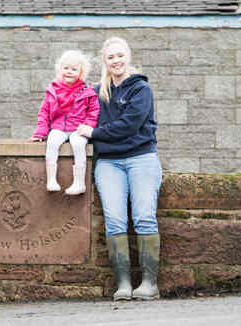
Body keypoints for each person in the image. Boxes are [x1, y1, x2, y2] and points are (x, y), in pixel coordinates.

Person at [77, 37, 163, 301]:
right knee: (114, 220)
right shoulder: (96, 92)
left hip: (141, 159)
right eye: (110, 57)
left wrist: (95, 133)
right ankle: (124, 284)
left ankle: (149, 284)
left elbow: (129, 125)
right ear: (105, 60)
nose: (116, 61)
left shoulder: (141, 90)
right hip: (109, 163)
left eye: (120, 55)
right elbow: (75, 115)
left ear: (128, 56)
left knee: (144, 217)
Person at [29, 50, 99, 195]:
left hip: (78, 128)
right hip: (59, 127)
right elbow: (44, 113)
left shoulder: (87, 91)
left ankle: (79, 183)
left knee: (78, 144)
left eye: (74, 69)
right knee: (52, 142)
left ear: (81, 72)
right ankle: (51, 180)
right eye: (66, 68)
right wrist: (40, 133)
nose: (69, 72)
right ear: (60, 69)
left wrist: (87, 126)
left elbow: (93, 111)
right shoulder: (53, 90)